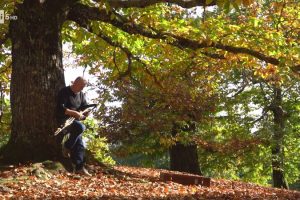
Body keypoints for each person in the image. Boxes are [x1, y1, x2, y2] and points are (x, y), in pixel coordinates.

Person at [57, 76, 91, 176]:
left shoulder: (81, 94)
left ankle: (79, 167)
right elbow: (60, 108)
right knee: (81, 128)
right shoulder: (64, 91)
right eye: (81, 86)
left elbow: (84, 107)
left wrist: (86, 113)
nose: (82, 88)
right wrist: (74, 113)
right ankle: (67, 146)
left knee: (80, 144)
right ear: (75, 82)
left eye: (83, 87)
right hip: (63, 119)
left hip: (75, 121)